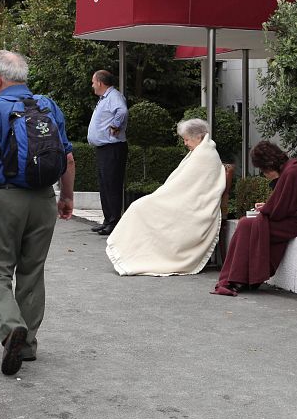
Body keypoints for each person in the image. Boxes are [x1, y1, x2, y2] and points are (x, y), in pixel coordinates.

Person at [0, 50, 75, 376]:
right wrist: (67, 198)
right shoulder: (48, 107)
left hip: (5, 200)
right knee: (32, 273)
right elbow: (69, 159)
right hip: (44, 200)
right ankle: (28, 345)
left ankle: (10, 330)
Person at [105, 118, 226, 276]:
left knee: (140, 208)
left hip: (191, 205)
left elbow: (190, 186)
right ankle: (136, 253)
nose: (185, 143)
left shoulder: (204, 155)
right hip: (181, 200)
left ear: (199, 137)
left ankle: (140, 255)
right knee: (139, 207)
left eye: (186, 139)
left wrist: (162, 196)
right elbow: (182, 182)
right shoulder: (201, 152)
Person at [212, 141, 297, 296]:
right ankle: (236, 279)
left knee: (246, 224)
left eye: (263, 170)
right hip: (287, 219)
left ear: (269, 164)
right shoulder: (291, 169)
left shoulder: (293, 171)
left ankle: (238, 279)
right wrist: (266, 207)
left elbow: (282, 208)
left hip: (294, 223)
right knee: (246, 224)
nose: (265, 175)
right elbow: (284, 203)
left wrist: (266, 209)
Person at [87, 69, 128, 236]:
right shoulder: (105, 98)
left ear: (100, 83)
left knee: (112, 185)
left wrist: (116, 125)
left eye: (93, 82)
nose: (92, 85)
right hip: (104, 148)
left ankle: (114, 222)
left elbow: (123, 111)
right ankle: (107, 220)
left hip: (113, 148)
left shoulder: (114, 97)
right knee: (104, 185)